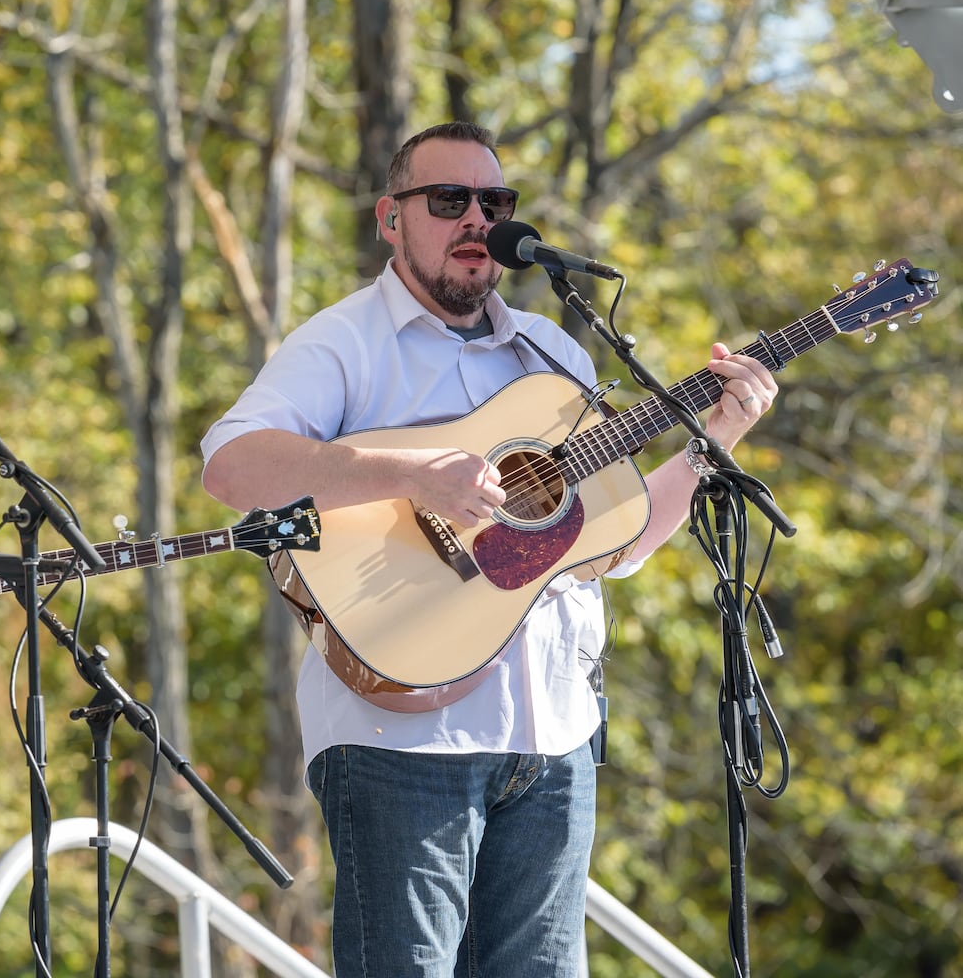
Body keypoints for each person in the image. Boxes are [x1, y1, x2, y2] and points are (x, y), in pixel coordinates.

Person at [199, 120, 778, 977]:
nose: (477, 218)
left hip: (554, 740)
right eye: (448, 200)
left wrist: (710, 443)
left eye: (494, 202)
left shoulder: (554, 354)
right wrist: (409, 475)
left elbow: (608, 547)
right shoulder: (345, 341)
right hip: (400, 745)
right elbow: (233, 467)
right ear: (390, 218)